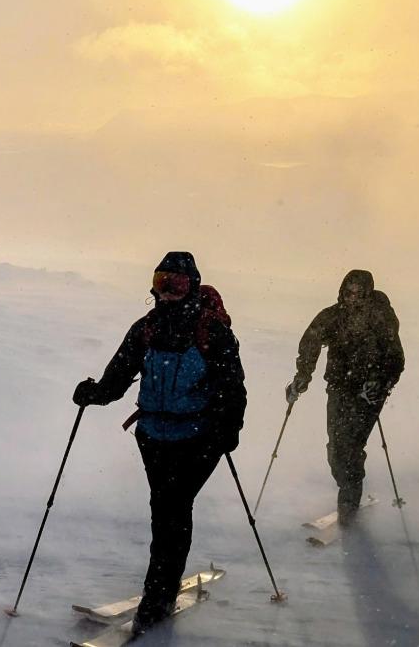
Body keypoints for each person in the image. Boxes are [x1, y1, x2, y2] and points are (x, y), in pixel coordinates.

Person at [71, 251, 247, 634]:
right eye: (160, 282)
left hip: (200, 438)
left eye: (176, 284)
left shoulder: (211, 331)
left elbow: (233, 386)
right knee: (165, 510)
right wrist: (93, 393)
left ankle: (158, 596)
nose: (166, 292)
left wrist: (228, 429)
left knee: (173, 510)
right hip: (152, 436)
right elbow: (117, 378)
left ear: (192, 286)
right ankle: (160, 590)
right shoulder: (147, 328)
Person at [284, 269, 404, 525]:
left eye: (359, 294)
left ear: (368, 294)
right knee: (336, 447)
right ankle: (348, 483)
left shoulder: (381, 318)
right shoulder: (333, 316)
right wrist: (303, 376)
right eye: (348, 293)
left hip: (370, 393)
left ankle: (349, 499)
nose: (352, 298)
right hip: (339, 388)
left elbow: (395, 357)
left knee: (350, 446)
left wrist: (380, 382)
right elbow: (311, 341)